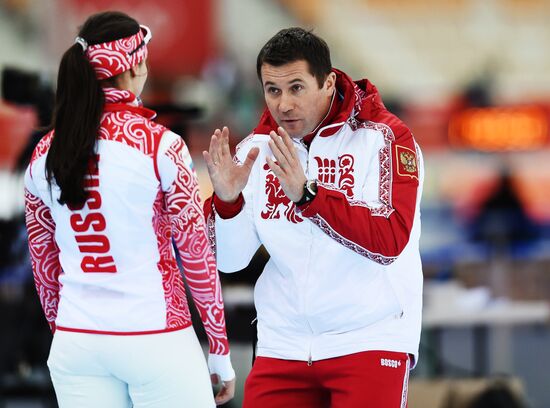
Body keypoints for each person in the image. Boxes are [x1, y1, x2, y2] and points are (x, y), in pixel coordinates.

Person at [203, 27, 424, 407]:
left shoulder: (383, 138)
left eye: (296, 88)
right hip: (283, 343)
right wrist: (226, 202)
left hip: (368, 339)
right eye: (272, 90)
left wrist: (310, 197)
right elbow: (229, 259)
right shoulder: (257, 150)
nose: (283, 104)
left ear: (328, 82)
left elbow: (390, 239)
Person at [23, 11, 235, 407]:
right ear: (135, 66)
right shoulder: (160, 146)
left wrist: (68, 335)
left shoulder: (43, 152)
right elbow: (195, 253)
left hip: (77, 341)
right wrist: (219, 346)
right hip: (155, 338)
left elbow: (44, 264)